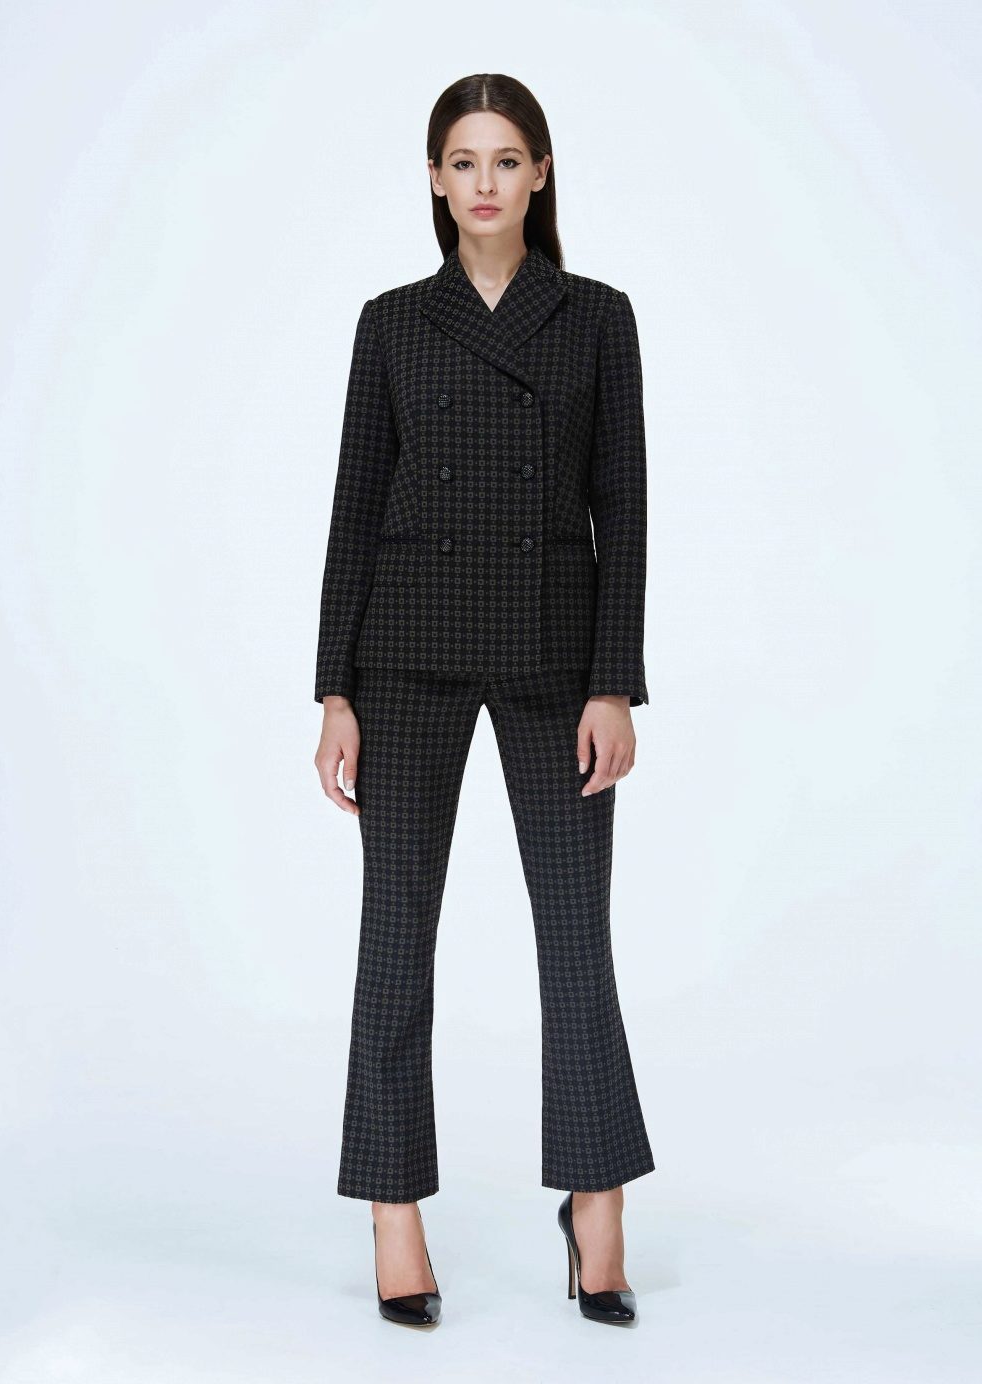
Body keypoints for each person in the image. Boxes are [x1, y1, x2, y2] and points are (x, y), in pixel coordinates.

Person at [313, 72, 655, 1328]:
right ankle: (392, 1208)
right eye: (463, 161)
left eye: (506, 159)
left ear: (540, 173)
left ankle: (597, 1199)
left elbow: (623, 506)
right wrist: (333, 688)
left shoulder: (597, 317)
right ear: (434, 179)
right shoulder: (393, 323)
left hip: (556, 657)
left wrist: (614, 682)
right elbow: (355, 506)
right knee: (395, 934)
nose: (484, 182)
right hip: (405, 654)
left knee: (575, 934)